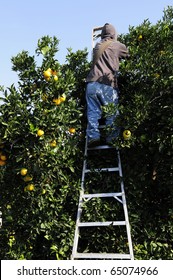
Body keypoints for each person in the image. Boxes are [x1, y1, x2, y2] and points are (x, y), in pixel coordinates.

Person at [86, 23, 129, 147]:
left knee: (93, 112)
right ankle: (112, 139)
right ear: (113, 34)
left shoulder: (97, 46)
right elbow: (128, 55)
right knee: (112, 114)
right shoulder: (117, 46)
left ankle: (93, 137)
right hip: (107, 85)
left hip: (92, 84)